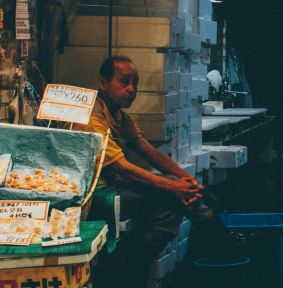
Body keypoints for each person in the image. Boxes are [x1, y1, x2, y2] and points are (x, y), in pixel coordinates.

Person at [74, 55, 229, 286]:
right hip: (92, 195)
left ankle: (219, 236)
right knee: (171, 199)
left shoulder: (118, 115)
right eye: (124, 81)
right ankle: (135, 271)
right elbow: (124, 169)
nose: (131, 89)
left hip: (114, 185)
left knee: (178, 193)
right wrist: (175, 187)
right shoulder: (90, 116)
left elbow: (149, 151)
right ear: (102, 82)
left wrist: (187, 181)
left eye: (135, 83)